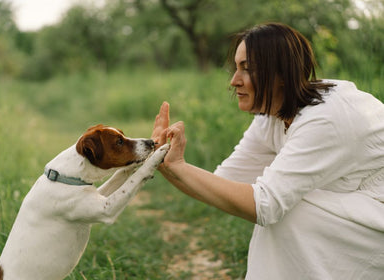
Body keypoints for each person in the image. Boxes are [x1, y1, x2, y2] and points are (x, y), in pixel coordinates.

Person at [151, 22, 384, 279]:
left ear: (282, 74)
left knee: (289, 212)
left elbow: (265, 205)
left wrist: (179, 167)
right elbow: (221, 184)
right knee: (287, 207)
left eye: (247, 69)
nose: (234, 81)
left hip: (377, 219)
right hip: (356, 213)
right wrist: (163, 160)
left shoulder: (326, 118)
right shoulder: (272, 116)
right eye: (235, 68)